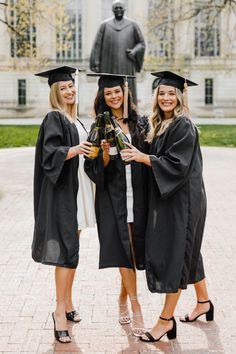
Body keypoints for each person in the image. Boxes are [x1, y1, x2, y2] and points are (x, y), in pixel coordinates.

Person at [122, 71, 214, 342]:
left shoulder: (183, 125)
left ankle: (165, 321)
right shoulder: (160, 124)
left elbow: (176, 165)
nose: (166, 98)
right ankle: (204, 302)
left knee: (177, 254)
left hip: (183, 200)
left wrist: (143, 157)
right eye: (161, 93)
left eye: (171, 93)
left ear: (180, 96)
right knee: (188, 249)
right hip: (173, 197)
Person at [84, 73, 149, 336]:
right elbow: (93, 168)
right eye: (108, 93)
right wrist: (104, 154)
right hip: (113, 198)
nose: (114, 96)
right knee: (124, 250)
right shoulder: (99, 126)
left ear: (125, 93)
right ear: (103, 96)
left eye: (117, 92)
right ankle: (136, 306)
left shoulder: (141, 123)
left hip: (140, 196)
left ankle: (122, 298)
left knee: (133, 252)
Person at [32, 66, 93, 343]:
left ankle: (68, 304)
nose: (69, 91)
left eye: (71, 86)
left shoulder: (75, 119)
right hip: (63, 193)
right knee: (67, 251)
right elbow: (50, 155)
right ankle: (58, 311)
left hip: (77, 191)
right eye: (63, 88)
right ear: (55, 92)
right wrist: (77, 149)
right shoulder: (54, 117)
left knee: (73, 249)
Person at [89, 0, 145, 103]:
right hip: (108, 65)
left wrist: (134, 51)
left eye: (120, 8)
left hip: (126, 64)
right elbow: (97, 45)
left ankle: (130, 112)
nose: (118, 10)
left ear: (124, 9)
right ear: (112, 10)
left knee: (128, 90)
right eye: (116, 8)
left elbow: (141, 43)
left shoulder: (132, 25)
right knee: (108, 88)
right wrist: (95, 63)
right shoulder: (105, 25)